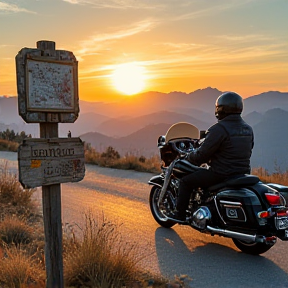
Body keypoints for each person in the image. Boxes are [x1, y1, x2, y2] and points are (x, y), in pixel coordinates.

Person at [168, 91, 254, 222]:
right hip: (243, 172)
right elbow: (247, 149)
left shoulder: (218, 129)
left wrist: (188, 158)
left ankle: (179, 214)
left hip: (221, 174)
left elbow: (201, 155)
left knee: (186, 181)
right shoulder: (248, 129)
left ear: (221, 108)